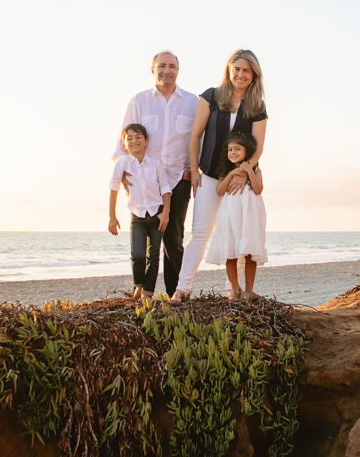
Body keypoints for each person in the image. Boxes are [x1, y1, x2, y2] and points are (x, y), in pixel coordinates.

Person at [171, 49, 267, 302]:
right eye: (237, 69)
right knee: (200, 233)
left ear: (254, 74)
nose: (241, 74)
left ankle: (232, 291)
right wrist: (193, 169)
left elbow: (258, 146)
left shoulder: (257, 106)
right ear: (229, 69)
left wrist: (243, 172)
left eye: (247, 70)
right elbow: (195, 135)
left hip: (240, 182)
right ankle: (182, 289)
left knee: (238, 236)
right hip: (210, 175)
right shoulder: (211, 96)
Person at [114, 52, 199, 296]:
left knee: (174, 241)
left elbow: (199, 140)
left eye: (172, 66)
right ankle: (142, 291)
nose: (167, 71)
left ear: (178, 71)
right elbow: (122, 142)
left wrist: (193, 170)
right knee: (146, 242)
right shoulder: (139, 101)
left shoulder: (192, 102)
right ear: (152, 70)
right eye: (161, 66)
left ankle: (176, 293)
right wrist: (124, 177)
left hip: (177, 181)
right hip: (145, 184)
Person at [108, 123, 171, 300]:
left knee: (153, 255)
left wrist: (165, 212)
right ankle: (138, 285)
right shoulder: (122, 163)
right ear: (124, 143)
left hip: (157, 214)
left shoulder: (155, 163)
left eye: (138, 137)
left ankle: (147, 293)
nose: (134, 141)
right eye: (129, 138)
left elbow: (165, 189)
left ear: (146, 142)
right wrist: (112, 216)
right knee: (137, 254)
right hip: (137, 215)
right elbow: (113, 188)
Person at [205, 131, 266, 300]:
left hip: (250, 214)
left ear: (248, 151)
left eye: (238, 149)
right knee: (230, 252)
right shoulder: (225, 170)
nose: (233, 152)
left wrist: (249, 171)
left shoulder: (255, 169)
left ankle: (249, 289)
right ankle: (235, 288)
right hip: (230, 215)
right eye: (230, 149)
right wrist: (232, 174)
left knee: (249, 253)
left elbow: (259, 189)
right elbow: (219, 191)